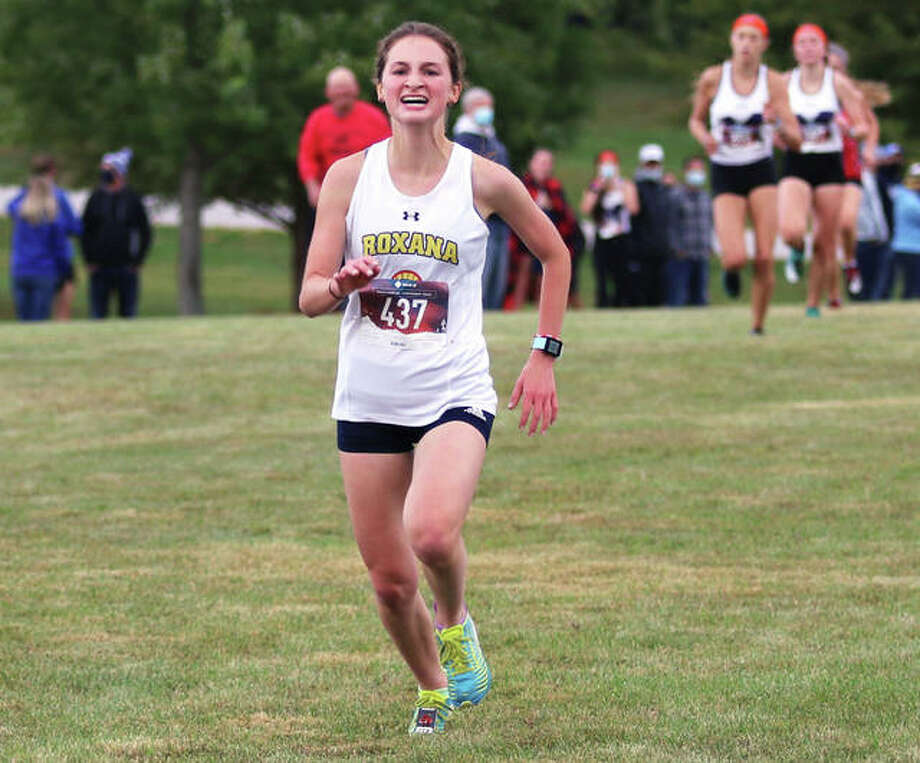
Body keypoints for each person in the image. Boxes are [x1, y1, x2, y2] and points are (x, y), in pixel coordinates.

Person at [297, 21, 570, 735]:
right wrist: (343, 283)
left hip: (453, 390)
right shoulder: (348, 178)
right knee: (389, 582)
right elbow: (309, 296)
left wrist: (544, 352)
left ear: (453, 87)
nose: (413, 81)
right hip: (367, 398)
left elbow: (556, 254)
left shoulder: (482, 178)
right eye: (399, 70)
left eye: (429, 70)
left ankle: (456, 623)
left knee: (433, 533)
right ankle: (434, 685)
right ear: (380, 87)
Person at [689, 12, 801, 335]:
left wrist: (776, 120)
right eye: (741, 37)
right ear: (732, 41)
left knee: (765, 256)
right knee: (735, 256)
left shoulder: (773, 82)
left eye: (754, 38)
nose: (747, 44)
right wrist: (705, 138)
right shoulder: (714, 78)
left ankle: (757, 324)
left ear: (764, 44)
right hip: (725, 169)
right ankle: (731, 270)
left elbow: (796, 138)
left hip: (760, 169)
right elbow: (695, 119)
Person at [777, 24, 867, 318]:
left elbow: (863, 126)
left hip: (830, 164)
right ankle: (795, 248)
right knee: (791, 229)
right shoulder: (784, 82)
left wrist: (848, 128)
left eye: (814, 42)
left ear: (823, 49)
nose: (808, 48)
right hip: (797, 161)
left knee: (824, 241)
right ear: (794, 49)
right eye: (802, 43)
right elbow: (768, 118)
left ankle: (813, 303)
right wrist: (775, 128)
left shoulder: (837, 83)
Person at [296, 67, 392, 289]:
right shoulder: (318, 120)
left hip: (366, 197)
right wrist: (312, 186)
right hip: (332, 198)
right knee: (329, 249)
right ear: (328, 93)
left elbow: (388, 154)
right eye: (338, 94)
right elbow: (308, 156)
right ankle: (326, 291)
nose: (343, 99)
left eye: (347, 93)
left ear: (356, 91)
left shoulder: (373, 118)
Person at [826, 42, 883, 303]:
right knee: (825, 235)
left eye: (837, 67)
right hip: (816, 169)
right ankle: (832, 294)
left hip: (849, 166)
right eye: (829, 66)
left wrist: (869, 149)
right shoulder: (806, 91)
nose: (832, 72)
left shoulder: (851, 95)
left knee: (848, 224)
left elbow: (870, 125)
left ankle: (850, 264)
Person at [452, 87, 512, 310]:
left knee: (497, 279)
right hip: (480, 218)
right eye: (482, 106)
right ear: (468, 109)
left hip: (500, 219)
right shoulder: (465, 141)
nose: (487, 111)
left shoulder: (491, 138)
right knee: (482, 280)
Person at [7, 154, 81, 321]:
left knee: (24, 320)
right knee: (40, 320)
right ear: (52, 171)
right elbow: (71, 230)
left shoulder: (22, 202)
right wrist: (65, 268)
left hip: (20, 267)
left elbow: (10, 208)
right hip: (45, 268)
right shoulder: (57, 202)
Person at [80, 148, 152, 318]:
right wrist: (89, 259)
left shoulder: (132, 199)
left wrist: (138, 260)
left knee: (128, 312)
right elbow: (86, 231)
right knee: (98, 313)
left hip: (126, 266)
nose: (105, 174)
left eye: (109, 170)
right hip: (100, 266)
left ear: (120, 173)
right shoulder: (96, 198)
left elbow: (144, 231)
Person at [508, 148, 583, 309]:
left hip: (552, 240)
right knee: (524, 269)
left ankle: (546, 308)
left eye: (547, 163)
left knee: (551, 267)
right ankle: (516, 307)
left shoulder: (554, 187)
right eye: (541, 163)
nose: (544, 167)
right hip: (524, 241)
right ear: (532, 164)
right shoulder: (522, 185)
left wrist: (551, 205)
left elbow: (567, 217)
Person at [580, 150, 639, 307]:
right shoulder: (594, 186)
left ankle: (622, 304)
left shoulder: (625, 185)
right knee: (601, 277)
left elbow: (633, 209)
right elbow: (585, 208)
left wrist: (618, 185)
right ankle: (603, 305)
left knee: (622, 277)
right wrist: (598, 186)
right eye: (604, 165)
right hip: (602, 238)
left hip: (622, 238)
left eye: (611, 164)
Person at [667, 156, 714, 306]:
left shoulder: (706, 197)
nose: (698, 174)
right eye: (694, 170)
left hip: (702, 253)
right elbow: (671, 225)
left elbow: (709, 224)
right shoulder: (676, 196)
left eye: (700, 170)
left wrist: (710, 245)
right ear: (686, 172)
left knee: (700, 297)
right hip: (682, 254)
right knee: (679, 295)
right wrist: (677, 247)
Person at [631, 143, 673, 306]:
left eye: (655, 164)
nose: (653, 168)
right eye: (649, 164)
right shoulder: (635, 187)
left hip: (662, 249)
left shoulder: (664, 189)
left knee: (661, 294)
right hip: (641, 251)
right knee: (642, 293)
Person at [887, 161, 920, 299]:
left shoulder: (903, 194)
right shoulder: (906, 197)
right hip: (910, 247)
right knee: (912, 286)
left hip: (909, 246)